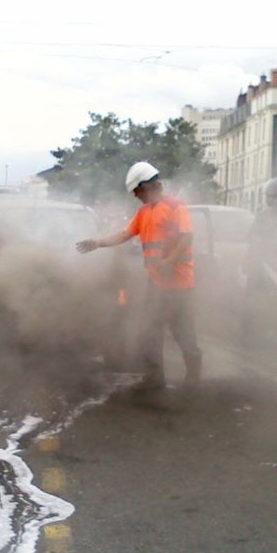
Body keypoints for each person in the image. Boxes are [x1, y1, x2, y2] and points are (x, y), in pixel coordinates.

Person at [76, 161, 202, 390]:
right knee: (151, 331)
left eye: (136, 191)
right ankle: (154, 379)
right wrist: (98, 242)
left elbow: (187, 237)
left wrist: (168, 262)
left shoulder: (175, 206)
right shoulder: (144, 212)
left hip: (181, 284)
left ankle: (193, 375)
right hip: (157, 283)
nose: (135, 196)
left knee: (183, 332)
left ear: (146, 185)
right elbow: (125, 234)